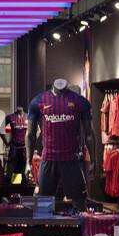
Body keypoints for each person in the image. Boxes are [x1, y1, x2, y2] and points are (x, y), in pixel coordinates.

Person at [29, 79, 94, 214]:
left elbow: (89, 134)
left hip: (71, 160)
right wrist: (27, 162)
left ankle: (81, 234)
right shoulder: (39, 101)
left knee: (80, 204)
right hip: (48, 160)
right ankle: (41, 234)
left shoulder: (80, 102)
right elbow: (30, 134)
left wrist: (94, 160)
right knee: (41, 205)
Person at [2, 106, 29, 178]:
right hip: (14, 149)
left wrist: (32, 142)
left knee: (24, 175)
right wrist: (6, 143)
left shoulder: (28, 116)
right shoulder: (10, 117)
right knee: (9, 174)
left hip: (24, 149)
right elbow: (1, 131)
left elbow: (38, 130)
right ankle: (8, 187)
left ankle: (24, 187)